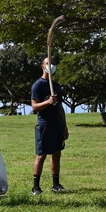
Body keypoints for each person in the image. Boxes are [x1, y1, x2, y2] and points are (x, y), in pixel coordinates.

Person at [30, 57, 69, 195]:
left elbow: (60, 107)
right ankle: (36, 187)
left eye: (53, 63)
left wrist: (64, 126)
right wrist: (48, 102)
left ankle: (56, 184)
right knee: (41, 155)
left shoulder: (56, 85)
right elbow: (34, 107)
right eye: (48, 63)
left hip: (57, 125)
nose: (51, 66)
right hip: (44, 126)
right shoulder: (38, 85)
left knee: (57, 154)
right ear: (42, 66)